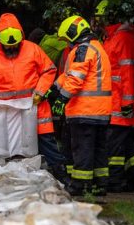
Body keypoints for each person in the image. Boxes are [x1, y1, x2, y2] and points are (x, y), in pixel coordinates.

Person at [0, 13, 67, 182]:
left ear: (20, 38)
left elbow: (49, 70)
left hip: (32, 106)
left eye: (14, 45)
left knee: (46, 140)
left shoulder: (33, 49)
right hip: (4, 109)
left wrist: (40, 91)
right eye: (8, 46)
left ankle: (62, 175)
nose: (11, 48)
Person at [47, 15, 112, 196]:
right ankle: (100, 185)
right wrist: (53, 89)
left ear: (73, 34)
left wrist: (61, 99)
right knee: (98, 150)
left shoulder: (82, 50)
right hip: (101, 110)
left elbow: (75, 79)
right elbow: (69, 75)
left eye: (67, 39)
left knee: (82, 149)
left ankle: (80, 186)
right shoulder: (97, 47)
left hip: (84, 110)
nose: (67, 43)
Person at [96, 0, 134, 192]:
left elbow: (127, 74)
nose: (98, 22)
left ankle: (114, 181)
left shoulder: (122, 40)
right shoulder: (113, 38)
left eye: (100, 18)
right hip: (114, 102)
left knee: (114, 147)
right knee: (125, 145)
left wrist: (127, 103)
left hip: (119, 105)